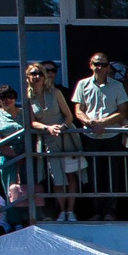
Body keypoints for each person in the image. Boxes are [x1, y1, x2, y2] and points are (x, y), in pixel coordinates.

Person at [72, 53, 128, 216]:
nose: (100, 67)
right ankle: (97, 211)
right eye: (97, 64)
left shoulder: (117, 86)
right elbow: (78, 111)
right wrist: (91, 123)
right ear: (90, 65)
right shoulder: (82, 84)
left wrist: (102, 124)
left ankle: (110, 210)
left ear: (108, 67)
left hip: (112, 136)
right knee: (93, 175)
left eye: (104, 65)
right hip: (90, 136)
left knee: (113, 175)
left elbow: (123, 112)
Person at [23, 60, 77, 214]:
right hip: (48, 138)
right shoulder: (29, 98)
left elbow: (68, 116)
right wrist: (48, 128)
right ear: (28, 77)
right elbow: (32, 122)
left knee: (71, 174)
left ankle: (71, 210)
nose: (37, 76)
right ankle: (61, 211)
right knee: (57, 176)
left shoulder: (55, 92)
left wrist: (63, 127)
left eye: (41, 73)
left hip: (66, 136)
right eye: (34, 73)